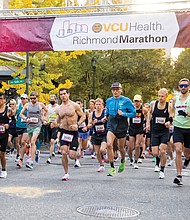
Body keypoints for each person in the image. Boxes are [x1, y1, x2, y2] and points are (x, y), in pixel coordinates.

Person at [105, 82, 136, 176]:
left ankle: (123, 160)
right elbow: (107, 110)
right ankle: (112, 167)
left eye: (117, 89)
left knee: (121, 147)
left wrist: (124, 114)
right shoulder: (109, 100)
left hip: (122, 124)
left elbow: (133, 113)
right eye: (113, 90)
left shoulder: (126, 101)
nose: (115, 91)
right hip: (111, 123)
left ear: (121, 90)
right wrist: (106, 116)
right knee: (109, 144)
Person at [54, 88, 85, 181]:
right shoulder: (59, 108)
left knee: (72, 156)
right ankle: (66, 173)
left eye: (64, 94)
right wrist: (54, 123)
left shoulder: (74, 105)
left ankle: (77, 151)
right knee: (63, 152)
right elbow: (58, 119)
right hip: (64, 131)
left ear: (68, 94)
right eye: (61, 94)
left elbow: (83, 116)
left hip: (73, 132)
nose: (63, 96)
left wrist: (77, 124)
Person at [146, 88, 172, 179]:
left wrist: (169, 122)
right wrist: (148, 123)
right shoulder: (154, 104)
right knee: (155, 152)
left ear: (166, 96)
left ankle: (162, 170)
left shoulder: (169, 105)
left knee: (163, 150)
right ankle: (157, 162)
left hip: (164, 131)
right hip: (155, 131)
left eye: (162, 96)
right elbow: (149, 113)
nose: (160, 98)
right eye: (159, 96)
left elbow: (172, 116)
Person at [20, 91, 48, 170]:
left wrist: (44, 118)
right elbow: (21, 114)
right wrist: (26, 119)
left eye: (34, 98)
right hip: (29, 126)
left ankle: (31, 161)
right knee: (30, 142)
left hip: (37, 126)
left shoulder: (40, 105)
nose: (32, 100)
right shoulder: (27, 105)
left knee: (33, 141)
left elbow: (47, 111)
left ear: (37, 98)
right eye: (31, 98)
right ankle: (35, 153)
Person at [172, 78, 190, 186]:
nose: (183, 88)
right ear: (179, 87)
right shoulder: (175, 99)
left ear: (189, 87)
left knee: (187, 153)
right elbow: (171, 112)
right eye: (181, 86)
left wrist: (186, 114)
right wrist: (169, 120)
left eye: (185, 86)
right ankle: (179, 175)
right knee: (178, 150)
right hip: (178, 127)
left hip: (189, 128)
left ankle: (187, 159)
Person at [128, 94, 148, 169]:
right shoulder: (131, 108)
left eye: (138, 101)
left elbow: (148, 115)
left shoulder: (143, 109)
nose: (136, 103)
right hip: (132, 128)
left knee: (137, 145)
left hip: (139, 128)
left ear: (141, 101)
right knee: (131, 147)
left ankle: (136, 162)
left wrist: (147, 124)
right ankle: (131, 159)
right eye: (135, 101)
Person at [88, 98, 107, 172]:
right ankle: (101, 165)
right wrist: (93, 123)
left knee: (102, 149)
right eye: (97, 104)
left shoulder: (105, 112)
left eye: (100, 104)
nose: (98, 106)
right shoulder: (92, 114)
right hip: (96, 134)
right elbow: (89, 124)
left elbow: (109, 118)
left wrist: (105, 119)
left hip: (104, 133)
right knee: (97, 152)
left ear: (102, 105)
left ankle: (105, 154)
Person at [75, 98, 90, 168]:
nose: (78, 105)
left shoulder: (86, 112)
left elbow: (90, 121)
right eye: (76, 103)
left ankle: (88, 145)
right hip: (77, 130)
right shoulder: (74, 112)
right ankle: (77, 160)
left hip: (85, 130)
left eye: (79, 103)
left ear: (82, 104)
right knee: (78, 144)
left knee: (84, 146)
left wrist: (87, 127)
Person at [0, 92, 12, 178]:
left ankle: (3, 169)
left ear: (4, 100)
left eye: (1, 99)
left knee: (2, 154)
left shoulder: (8, 110)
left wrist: (8, 125)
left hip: (4, 134)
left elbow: (13, 121)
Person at [16, 94, 29, 168]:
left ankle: (21, 160)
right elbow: (15, 113)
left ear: (27, 99)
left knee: (23, 142)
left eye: (24, 98)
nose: (23, 100)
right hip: (19, 126)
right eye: (22, 98)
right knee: (20, 143)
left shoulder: (29, 106)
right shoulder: (18, 106)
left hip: (26, 126)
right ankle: (27, 147)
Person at [46, 95, 59, 164]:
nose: (51, 100)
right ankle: (53, 148)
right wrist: (45, 121)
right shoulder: (48, 107)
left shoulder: (58, 107)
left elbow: (59, 116)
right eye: (50, 99)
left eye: (53, 99)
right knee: (50, 141)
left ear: (55, 100)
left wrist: (56, 123)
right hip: (49, 125)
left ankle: (49, 157)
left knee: (52, 141)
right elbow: (45, 114)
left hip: (55, 125)